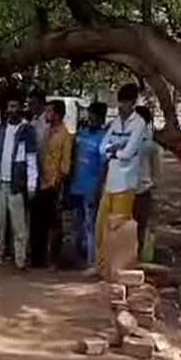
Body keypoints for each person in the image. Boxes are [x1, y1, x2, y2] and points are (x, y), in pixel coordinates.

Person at [95, 83, 149, 271]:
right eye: (120, 102)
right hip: (110, 182)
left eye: (125, 102)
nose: (121, 106)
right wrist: (116, 148)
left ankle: (117, 268)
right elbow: (101, 148)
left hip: (126, 184)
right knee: (101, 227)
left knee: (120, 228)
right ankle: (102, 267)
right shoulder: (115, 123)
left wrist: (114, 150)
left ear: (133, 103)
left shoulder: (139, 124)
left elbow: (128, 154)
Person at [0, 90, 38, 270]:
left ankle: (20, 259)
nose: (12, 110)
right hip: (2, 182)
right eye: (10, 107)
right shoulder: (2, 130)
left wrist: (32, 183)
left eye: (15, 106)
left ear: (20, 109)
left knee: (19, 225)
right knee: (0, 223)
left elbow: (31, 158)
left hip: (17, 183)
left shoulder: (26, 130)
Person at [31, 99, 72, 268]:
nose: (46, 115)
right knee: (38, 222)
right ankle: (37, 259)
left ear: (57, 114)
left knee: (54, 224)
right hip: (40, 182)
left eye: (49, 112)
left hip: (53, 185)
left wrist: (57, 184)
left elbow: (65, 166)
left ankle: (53, 259)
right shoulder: (46, 131)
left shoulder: (64, 135)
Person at [68, 101, 108, 268]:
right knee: (76, 226)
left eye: (95, 116)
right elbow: (72, 160)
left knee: (90, 225)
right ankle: (77, 259)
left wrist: (98, 189)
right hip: (76, 187)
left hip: (91, 188)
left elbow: (104, 167)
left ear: (101, 118)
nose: (91, 119)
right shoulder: (80, 136)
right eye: (90, 115)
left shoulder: (104, 138)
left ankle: (93, 261)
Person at [133, 105, 161, 259]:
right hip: (126, 188)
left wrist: (154, 184)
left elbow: (157, 168)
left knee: (141, 227)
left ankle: (138, 258)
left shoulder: (150, 142)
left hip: (143, 189)